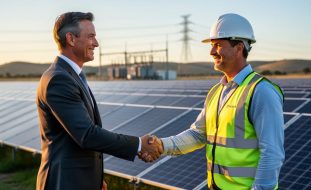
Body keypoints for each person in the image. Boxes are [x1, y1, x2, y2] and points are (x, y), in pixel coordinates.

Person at [144, 13, 285, 190]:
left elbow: (272, 153)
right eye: (211, 45)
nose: (211, 52)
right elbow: (198, 135)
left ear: (239, 48)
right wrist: (161, 145)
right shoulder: (216, 92)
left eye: (217, 45)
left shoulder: (261, 91)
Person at [36, 12, 161, 190]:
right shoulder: (59, 79)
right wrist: (139, 144)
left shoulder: (72, 75)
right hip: (64, 182)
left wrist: (93, 178)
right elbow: (87, 135)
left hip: (78, 181)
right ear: (71, 38)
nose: (96, 43)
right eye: (91, 37)